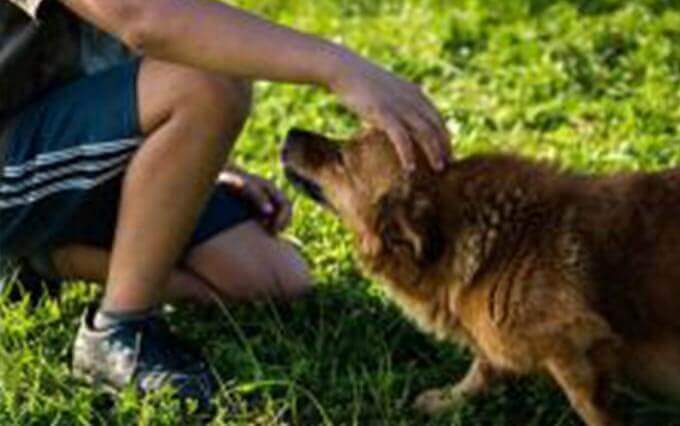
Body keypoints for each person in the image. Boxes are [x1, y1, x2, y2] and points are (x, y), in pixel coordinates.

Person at [0, 0, 450, 407]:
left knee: (271, 280)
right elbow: (141, 18)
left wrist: (197, 155)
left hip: (59, 130)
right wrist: (340, 67)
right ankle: (118, 329)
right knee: (211, 83)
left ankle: (45, 257)